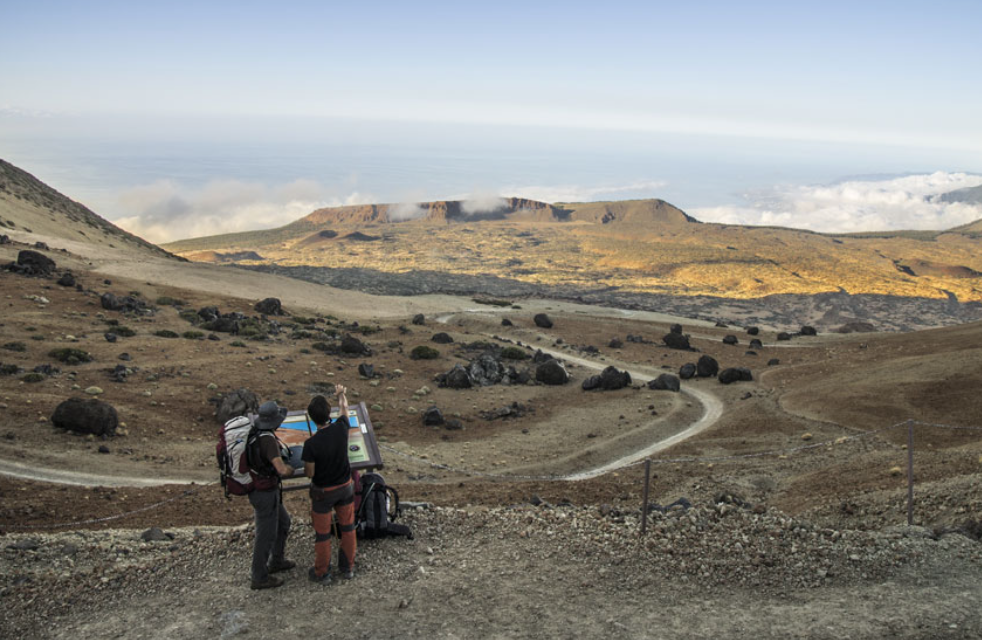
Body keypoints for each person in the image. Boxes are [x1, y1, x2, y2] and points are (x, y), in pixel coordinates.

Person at [302, 385, 357, 584]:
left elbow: (310, 473)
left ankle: (322, 572)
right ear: (328, 413)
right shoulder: (341, 428)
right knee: (348, 527)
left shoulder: (311, 445)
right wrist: (341, 393)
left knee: (323, 534)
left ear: (311, 418)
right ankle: (348, 567)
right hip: (345, 487)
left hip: (323, 492)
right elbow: (344, 408)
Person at [248, 400, 297, 590]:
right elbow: (281, 469)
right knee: (265, 534)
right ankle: (259, 577)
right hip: (264, 491)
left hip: (260, 489)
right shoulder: (268, 440)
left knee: (283, 522)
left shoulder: (256, 433)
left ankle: (277, 560)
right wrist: (291, 469)